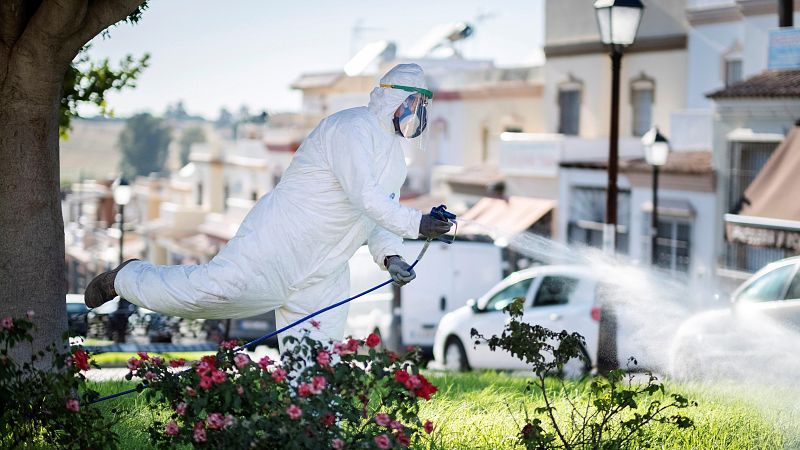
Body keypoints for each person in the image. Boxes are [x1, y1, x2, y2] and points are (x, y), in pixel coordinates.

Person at [84, 63, 452, 350]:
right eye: (415, 104)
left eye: (423, 106)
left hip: (324, 272)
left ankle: (315, 431)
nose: (418, 114)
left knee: (316, 364)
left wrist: (391, 257)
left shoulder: (395, 160)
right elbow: (363, 196)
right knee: (207, 295)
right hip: (277, 246)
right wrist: (419, 224)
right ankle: (127, 278)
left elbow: (378, 215)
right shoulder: (351, 127)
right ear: (393, 99)